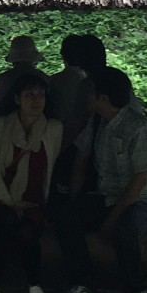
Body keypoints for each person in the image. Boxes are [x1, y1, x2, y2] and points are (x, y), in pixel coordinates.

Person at [53, 65, 147, 293]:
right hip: (107, 197)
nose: (85, 97)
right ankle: (85, 286)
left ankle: (136, 291)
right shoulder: (97, 122)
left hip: (141, 201)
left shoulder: (139, 127)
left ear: (103, 97)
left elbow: (139, 182)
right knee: (65, 216)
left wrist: (109, 222)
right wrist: (74, 201)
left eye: (90, 92)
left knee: (127, 230)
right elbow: (81, 158)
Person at [0, 69, 62, 293]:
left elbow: (50, 170)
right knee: (5, 220)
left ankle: (35, 285)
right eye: (29, 95)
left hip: (33, 198)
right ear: (16, 99)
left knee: (28, 231)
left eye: (41, 95)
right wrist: (10, 202)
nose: (36, 100)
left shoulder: (53, 128)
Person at [48, 32, 105, 193]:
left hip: (72, 140)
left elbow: (75, 123)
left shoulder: (85, 84)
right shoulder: (111, 79)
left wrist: (55, 153)